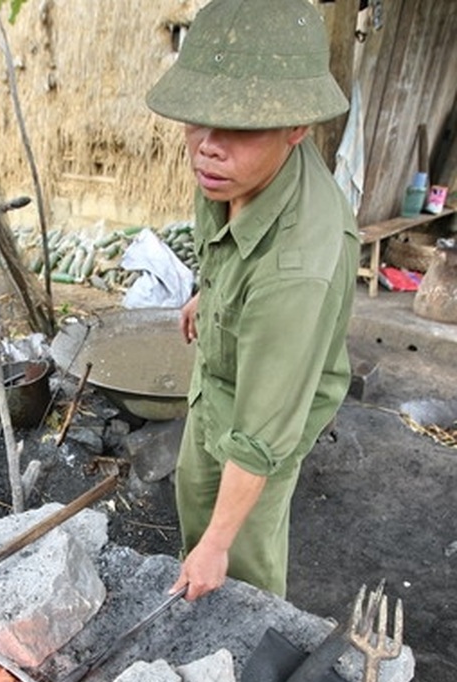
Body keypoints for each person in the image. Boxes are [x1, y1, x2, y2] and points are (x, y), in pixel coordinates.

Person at [145, 0, 359, 601]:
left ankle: (246, 668)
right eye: (198, 121)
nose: (207, 148)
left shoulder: (299, 268)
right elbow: (224, 250)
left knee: (241, 562)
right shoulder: (228, 175)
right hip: (218, 379)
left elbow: (262, 435)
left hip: (271, 407)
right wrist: (208, 294)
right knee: (195, 490)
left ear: (297, 127)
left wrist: (217, 544)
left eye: (239, 125)